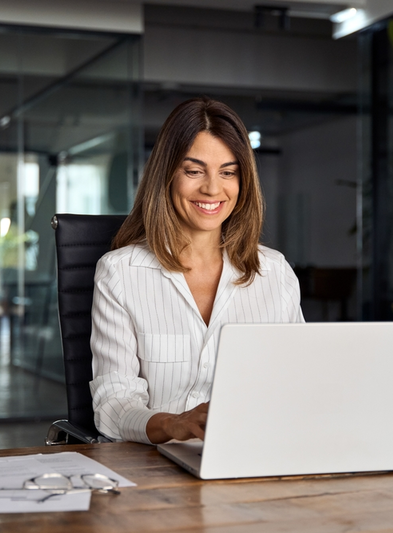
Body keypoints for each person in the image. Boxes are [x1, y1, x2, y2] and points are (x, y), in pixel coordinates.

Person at [90, 97, 304, 444]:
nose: (212, 188)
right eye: (194, 171)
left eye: (228, 172)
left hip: (252, 455)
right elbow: (113, 405)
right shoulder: (120, 273)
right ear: (167, 175)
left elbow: (299, 384)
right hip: (154, 466)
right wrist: (171, 424)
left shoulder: (275, 273)